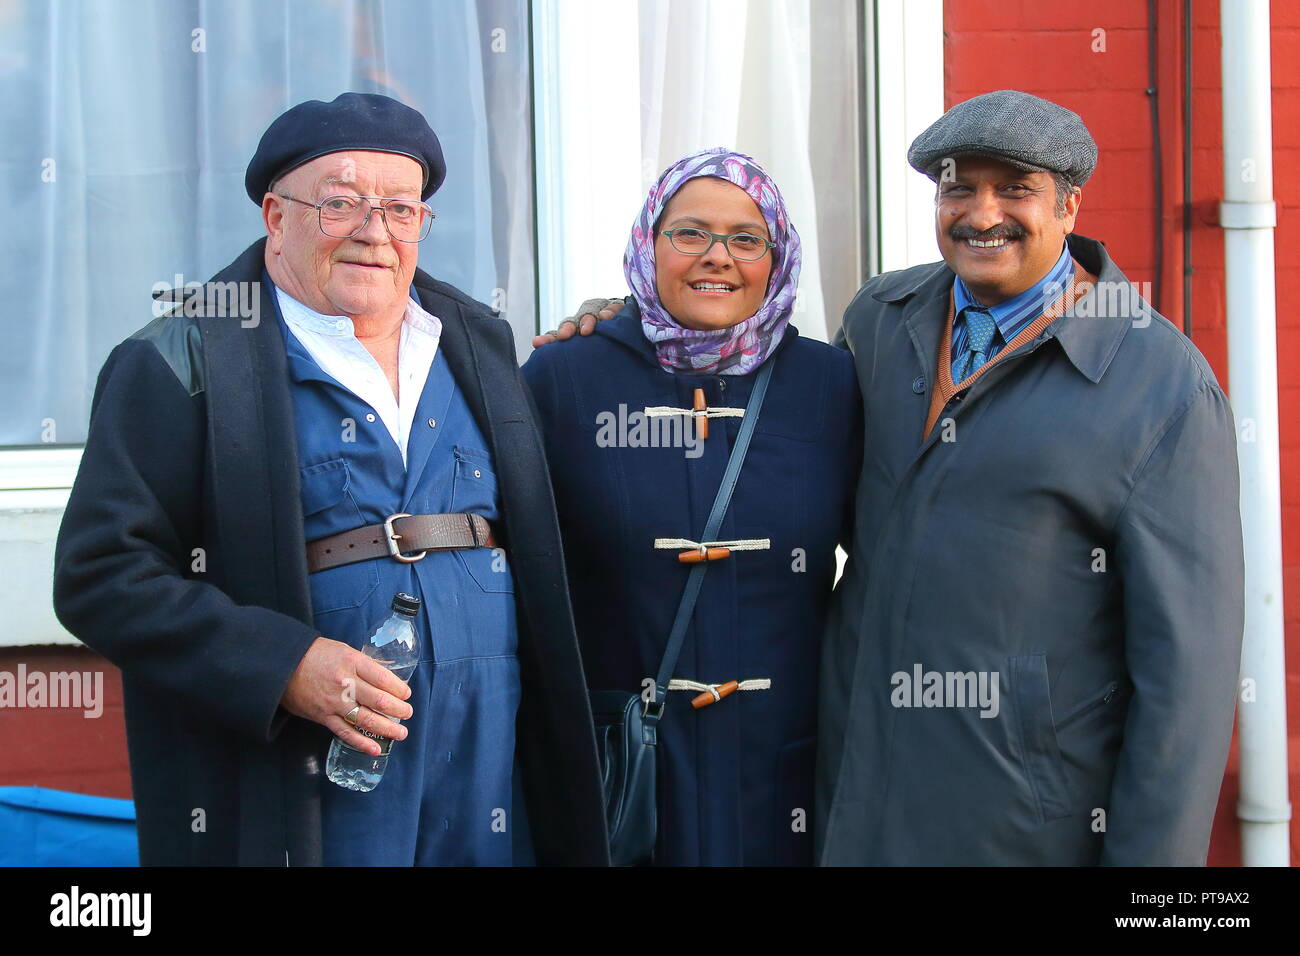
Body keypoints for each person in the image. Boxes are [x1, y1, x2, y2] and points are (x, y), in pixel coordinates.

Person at [548, 90, 1245, 866]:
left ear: (1070, 204)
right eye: (957, 187)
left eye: (1015, 188)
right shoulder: (884, 319)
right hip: (848, 799)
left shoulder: (1159, 387)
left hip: (1022, 829)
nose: (983, 214)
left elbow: (1188, 683)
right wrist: (635, 328)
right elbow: (772, 441)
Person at [52, 92, 609, 866]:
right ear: (276, 217)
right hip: (299, 776)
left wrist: (627, 334)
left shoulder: (478, 343)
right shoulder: (180, 359)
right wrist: (283, 666)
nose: (375, 232)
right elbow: (101, 575)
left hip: (490, 763)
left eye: (400, 209)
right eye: (342, 204)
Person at [522, 148, 862, 866]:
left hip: (785, 773)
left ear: (777, 257)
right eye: (690, 233)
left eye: (746, 238)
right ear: (650, 244)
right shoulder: (563, 378)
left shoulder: (831, 385)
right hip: (623, 771)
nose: (719, 258)